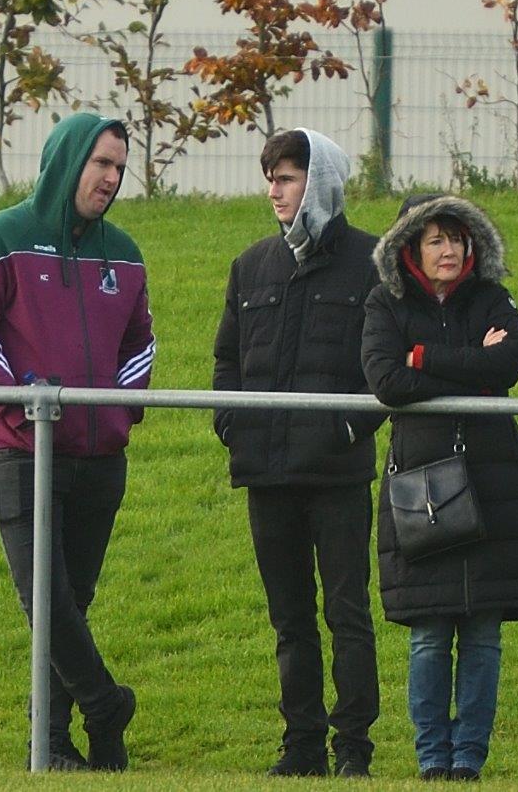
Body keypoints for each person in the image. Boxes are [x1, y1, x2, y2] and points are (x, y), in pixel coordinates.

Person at [0, 112, 154, 772]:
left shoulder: (123, 252)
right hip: (20, 453)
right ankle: (103, 705)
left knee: (70, 606)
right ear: (67, 161)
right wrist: (23, 408)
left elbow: (140, 343)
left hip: (100, 457)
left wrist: (117, 413)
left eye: (120, 167)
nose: (112, 178)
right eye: (102, 163)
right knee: (47, 601)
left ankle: (57, 744)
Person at [360, 194, 518, 782]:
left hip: (493, 477)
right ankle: (431, 760)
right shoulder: (385, 302)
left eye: (458, 238)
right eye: (436, 239)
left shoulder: (492, 298)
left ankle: (469, 758)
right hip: (421, 482)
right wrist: (466, 359)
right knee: (428, 632)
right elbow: (387, 379)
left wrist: (426, 357)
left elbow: (508, 365)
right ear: (411, 246)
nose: (450, 250)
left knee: (483, 633)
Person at [212, 129, 384, 778]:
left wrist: (344, 431)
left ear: (320, 181)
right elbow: (226, 359)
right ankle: (302, 746)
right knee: (290, 619)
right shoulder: (251, 266)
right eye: (270, 179)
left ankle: (354, 751)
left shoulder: (371, 263)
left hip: (337, 475)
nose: (274, 191)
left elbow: (383, 369)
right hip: (267, 472)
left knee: (347, 614)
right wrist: (232, 422)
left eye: (286, 178)